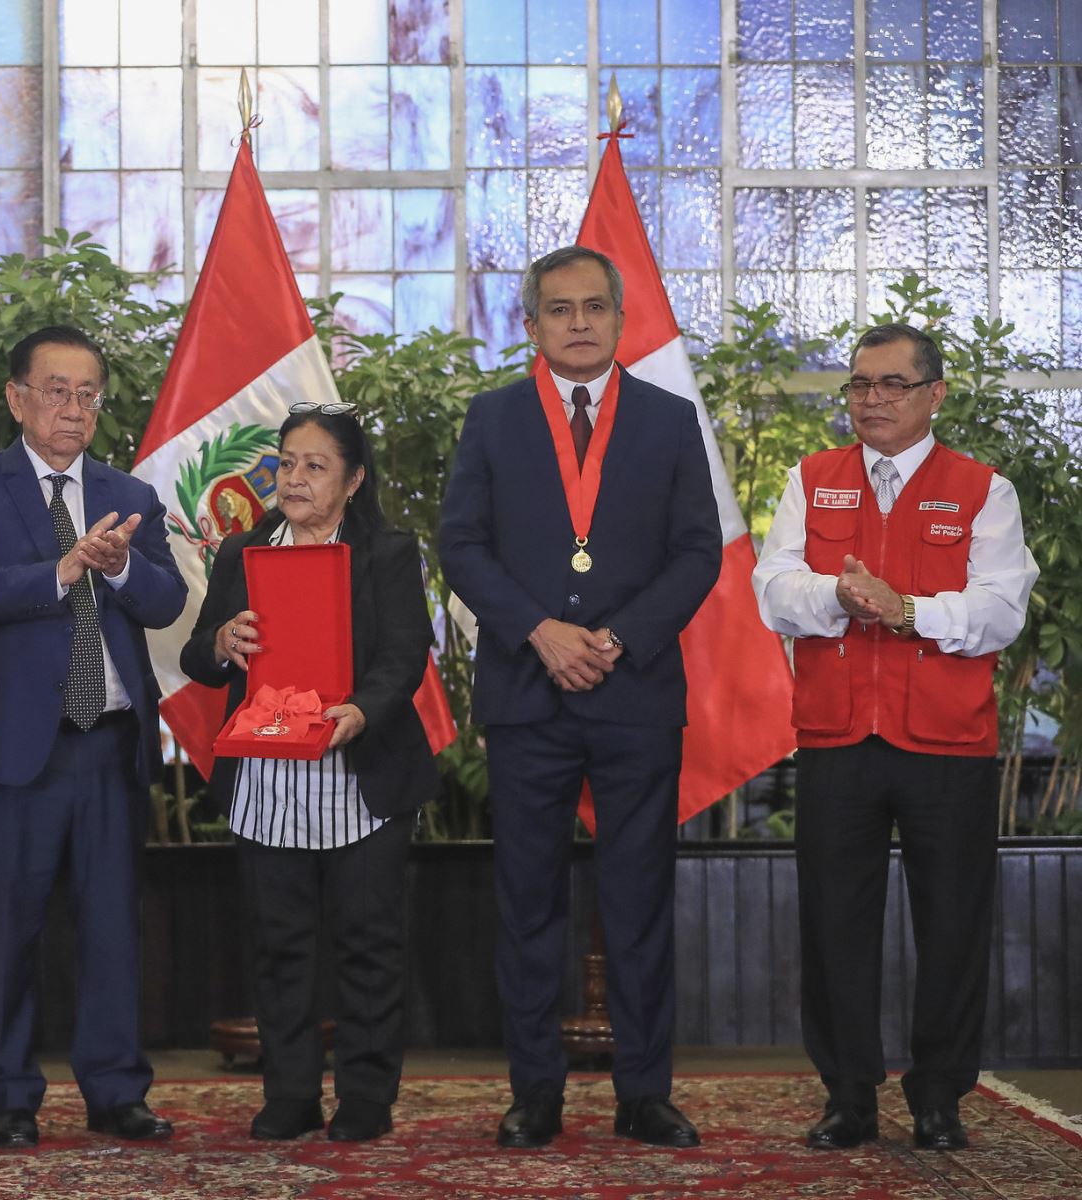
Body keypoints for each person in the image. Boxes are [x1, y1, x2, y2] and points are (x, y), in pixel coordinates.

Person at [438, 245, 721, 1149]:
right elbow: (462, 544)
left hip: (634, 693)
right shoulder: (493, 419)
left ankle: (645, 1094)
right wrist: (538, 632)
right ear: (531, 325)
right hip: (529, 692)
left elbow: (698, 551)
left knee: (638, 899)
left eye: (595, 307)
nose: (580, 323)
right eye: (559, 310)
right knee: (528, 902)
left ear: (620, 318)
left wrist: (621, 636)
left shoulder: (671, 420)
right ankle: (535, 1095)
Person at [752, 322, 1037, 1152]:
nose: (871, 400)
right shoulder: (814, 479)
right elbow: (772, 589)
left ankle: (939, 1098)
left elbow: (999, 612)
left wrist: (908, 609)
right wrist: (840, 600)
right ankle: (848, 1097)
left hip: (946, 741)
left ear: (934, 395)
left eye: (892, 385)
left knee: (951, 924)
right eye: (859, 385)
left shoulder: (984, 489)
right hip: (838, 735)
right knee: (835, 922)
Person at [0, 325, 187, 1149]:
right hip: (8, 750)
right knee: (6, 924)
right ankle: (8, 1099)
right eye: (57, 392)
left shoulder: (131, 494)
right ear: (16, 398)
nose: (74, 410)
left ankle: (117, 1092)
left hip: (106, 743)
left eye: (88, 396)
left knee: (112, 924)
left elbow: (166, 601)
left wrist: (116, 567)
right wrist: (63, 571)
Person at [178, 403, 437, 1143]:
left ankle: (364, 1095)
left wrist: (360, 710)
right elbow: (200, 655)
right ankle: (289, 1092)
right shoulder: (242, 553)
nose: (294, 478)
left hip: (362, 777)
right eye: (287, 463)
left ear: (353, 480)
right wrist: (224, 640)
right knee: (280, 944)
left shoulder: (386, 552)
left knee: (367, 941)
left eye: (315, 465)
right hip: (269, 782)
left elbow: (405, 655)